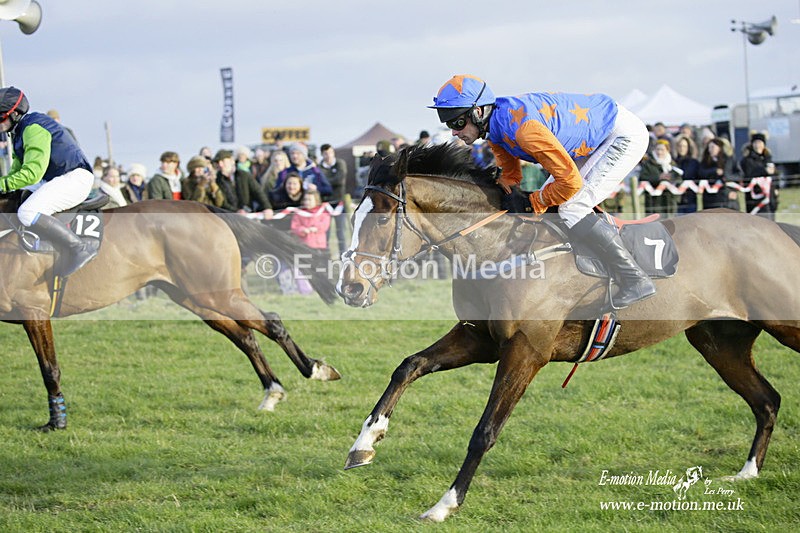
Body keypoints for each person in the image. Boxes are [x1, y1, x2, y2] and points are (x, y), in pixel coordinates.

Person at [429, 74, 655, 307]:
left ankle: (635, 278)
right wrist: (507, 190)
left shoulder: (525, 130)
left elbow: (569, 182)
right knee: (555, 205)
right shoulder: (495, 125)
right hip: (595, 134)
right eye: (449, 124)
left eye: (457, 123)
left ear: (478, 113)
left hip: (620, 135)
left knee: (572, 207)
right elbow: (510, 174)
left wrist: (534, 202)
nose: (454, 132)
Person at [0, 87, 97, 276]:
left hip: (73, 178)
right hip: (56, 178)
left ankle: (79, 248)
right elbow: (16, 172)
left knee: (27, 212)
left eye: (0, 117)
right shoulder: (18, 131)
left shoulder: (32, 128)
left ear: (15, 114)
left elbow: (32, 173)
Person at [213, 149, 272, 215]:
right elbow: (221, 202)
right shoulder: (216, 180)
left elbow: (257, 191)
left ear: (232, 160)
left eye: (223, 161)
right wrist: (236, 211)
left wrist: (267, 207)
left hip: (249, 214)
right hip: (230, 217)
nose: (220, 165)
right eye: (218, 162)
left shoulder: (244, 175)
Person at [638, 139, 682, 217]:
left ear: (667, 150)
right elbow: (642, 177)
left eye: (662, 150)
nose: (659, 152)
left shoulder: (672, 164)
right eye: (658, 149)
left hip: (670, 201)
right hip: (653, 202)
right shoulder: (648, 163)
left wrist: (670, 178)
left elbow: (679, 179)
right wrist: (658, 177)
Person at [318, 143, 348, 256]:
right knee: (325, 232)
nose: (329, 155)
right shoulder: (319, 167)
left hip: (339, 202)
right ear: (322, 154)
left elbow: (340, 181)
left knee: (341, 233)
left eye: (330, 152)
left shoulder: (340, 163)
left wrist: (325, 182)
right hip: (325, 204)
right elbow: (320, 185)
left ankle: (343, 257)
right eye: (326, 153)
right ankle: (325, 257)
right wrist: (325, 183)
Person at [740, 132, 778, 217]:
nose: (758, 145)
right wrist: (764, 171)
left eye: (760, 143)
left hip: (769, 197)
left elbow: (775, 175)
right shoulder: (747, 160)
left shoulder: (768, 158)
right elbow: (748, 174)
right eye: (755, 143)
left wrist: (776, 188)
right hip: (755, 197)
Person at [698, 138, 738, 210]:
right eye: (709, 147)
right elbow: (700, 173)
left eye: (713, 147)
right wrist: (714, 171)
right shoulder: (705, 162)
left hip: (728, 199)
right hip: (711, 200)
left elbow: (739, 175)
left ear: (719, 148)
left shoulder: (729, 160)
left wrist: (727, 177)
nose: (710, 150)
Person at [673, 135, 700, 213]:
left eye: (684, 146)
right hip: (676, 200)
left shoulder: (694, 162)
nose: (682, 148)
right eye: (680, 146)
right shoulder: (673, 162)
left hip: (690, 199)